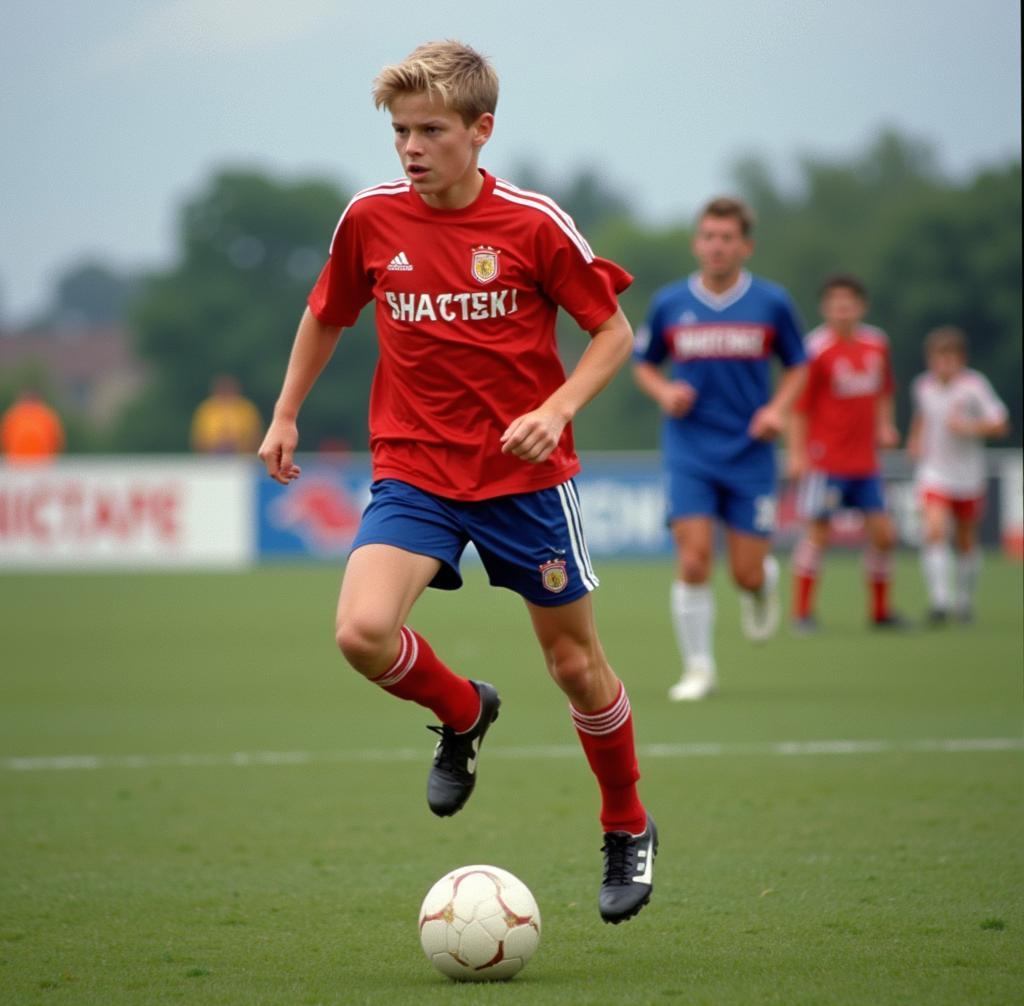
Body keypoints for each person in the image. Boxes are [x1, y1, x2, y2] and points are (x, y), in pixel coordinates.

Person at [257, 41, 655, 924]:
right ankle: (462, 709)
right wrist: (285, 412)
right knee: (361, 633)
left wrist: (555, 410)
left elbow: (614, 334)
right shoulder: (369, 218)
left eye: (430, 130)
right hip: (414, 469)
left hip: (525, 479)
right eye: (400, 131)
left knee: (574, 665)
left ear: (481, 131)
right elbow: (326, 312)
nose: (411, 147)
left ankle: (626, 823)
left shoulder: (533, 223)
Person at [632, 196, 807, 702]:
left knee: (746, 572)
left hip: (751, 450)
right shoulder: (670, 302)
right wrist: (665, 392)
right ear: (696, 243)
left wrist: (777, 410)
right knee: (692, 561)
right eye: (708, 236)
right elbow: (644, 362)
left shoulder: (771, 303)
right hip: (690, 449)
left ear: (746, 246)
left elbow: (799, 364)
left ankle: (761, 585)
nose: (716, 246)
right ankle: (698, 668)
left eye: (727, 238)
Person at [787, 274, 905, 631]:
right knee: (819, 535)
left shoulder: (876, 344)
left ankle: (880, 612)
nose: (842, 310)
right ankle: (803, 613)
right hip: (827, 461)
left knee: (884, 535)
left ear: (861, 306)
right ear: (825, 308)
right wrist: (796, 453)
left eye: (849, 302)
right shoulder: (815, 349)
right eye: (835, 303)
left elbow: (885, 390)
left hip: (866, 461)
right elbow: (799, 406)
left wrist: (886, 425)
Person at [907, 326, 1009, 623]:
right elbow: (923, 416)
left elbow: (1000, 424)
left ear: (961, 360)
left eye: (951, 358)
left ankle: (964, 601)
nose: (945, 364)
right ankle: (940, 601)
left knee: (966, 539)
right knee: (935, 531)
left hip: (968, 474)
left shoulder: (975, 387)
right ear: (930, 359)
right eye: (939, 357)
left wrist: (969, 428)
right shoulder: (922, 386)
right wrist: (915, 440)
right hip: (934, 471)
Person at [190, 374, 263, 454]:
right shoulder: (206, 410)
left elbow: (256, 437)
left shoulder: (247, 409)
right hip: (211, 459)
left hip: (242, 458)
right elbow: (198, 439)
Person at [0, 389, 65, 462]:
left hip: (35, 463)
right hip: (22, 462)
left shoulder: (12, 415)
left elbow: (57, 441)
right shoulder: (47, 415)